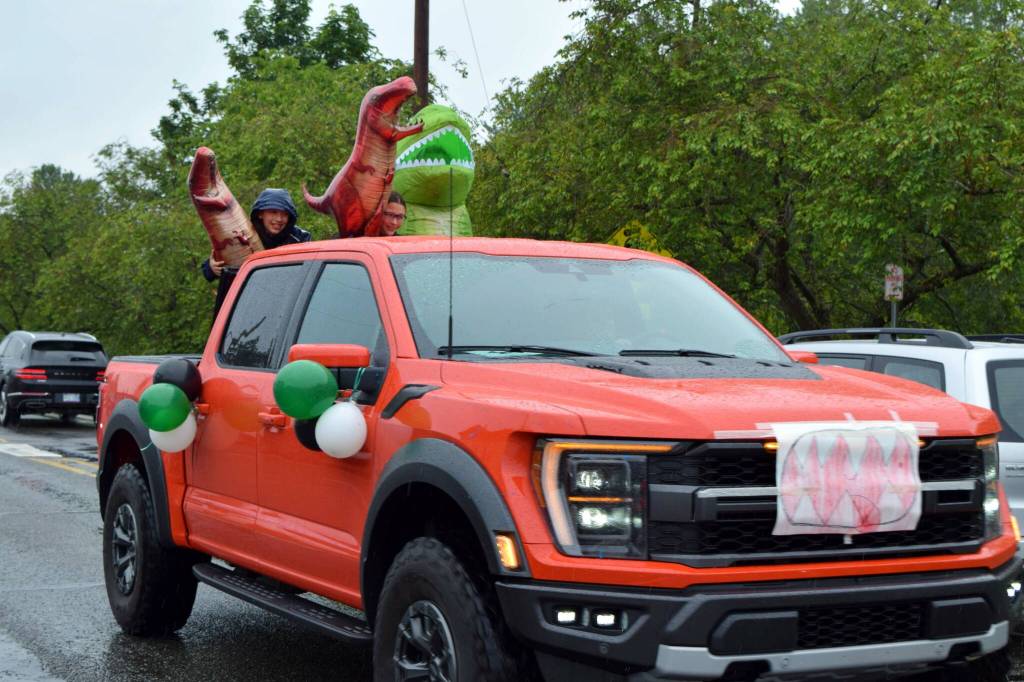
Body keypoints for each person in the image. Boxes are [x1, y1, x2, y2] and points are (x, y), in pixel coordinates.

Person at [202, 188, 311, 318]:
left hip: (284, 310)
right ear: (260, 214)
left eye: (285, 214)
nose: (279, 219)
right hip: (245, 308)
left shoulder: (301, 239)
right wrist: (211, 268)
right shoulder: (243, 234)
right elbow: (211, 267)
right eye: (273, 212)